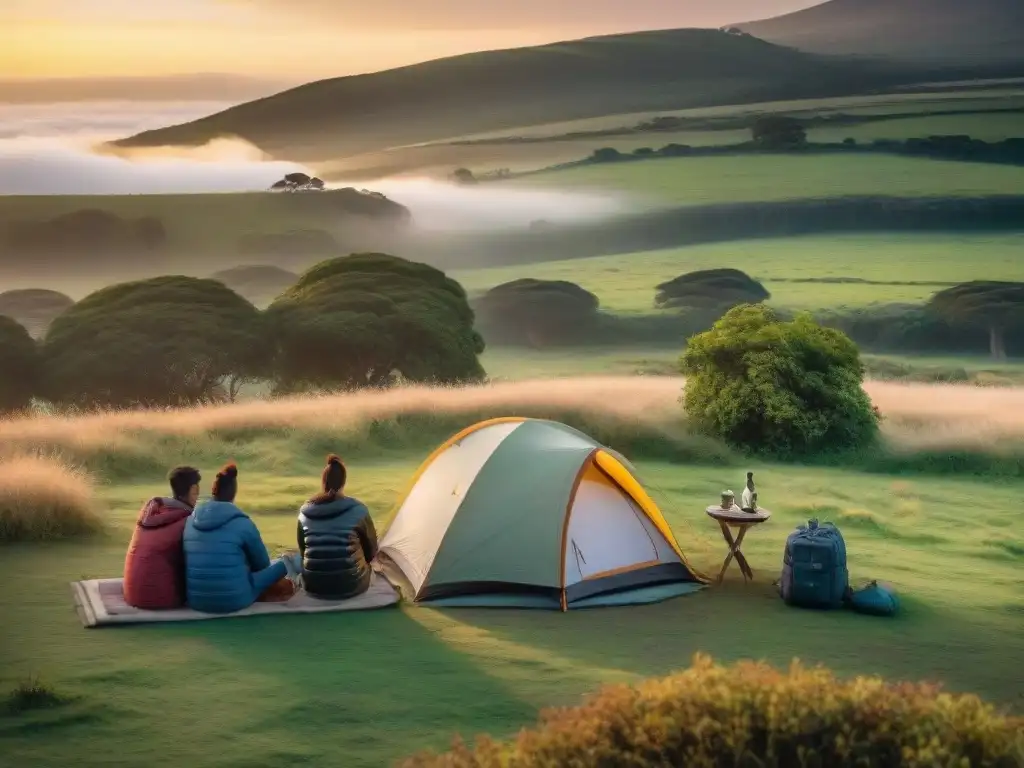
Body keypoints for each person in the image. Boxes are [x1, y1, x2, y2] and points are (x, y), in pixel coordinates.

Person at [182, 462, 288, 613]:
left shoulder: (190, 521)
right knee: (287, 562)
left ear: (214, 493)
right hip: (236, 599)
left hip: (197, 600)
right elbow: (262, 565)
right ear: (233, 495)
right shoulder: (242, 522)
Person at [296, 454, 378, 600]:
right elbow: (371, 553)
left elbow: (303, 553)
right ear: (343, 482)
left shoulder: (304, 513)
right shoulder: (359, 510)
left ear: (323, 481)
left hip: (313, 586)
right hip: (352, 585)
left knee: (291, 558)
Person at [122, 466, 201, 610]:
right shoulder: (188, 522)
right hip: (162, 598)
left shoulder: (151, 512)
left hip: (132, 594)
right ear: (194, 489)